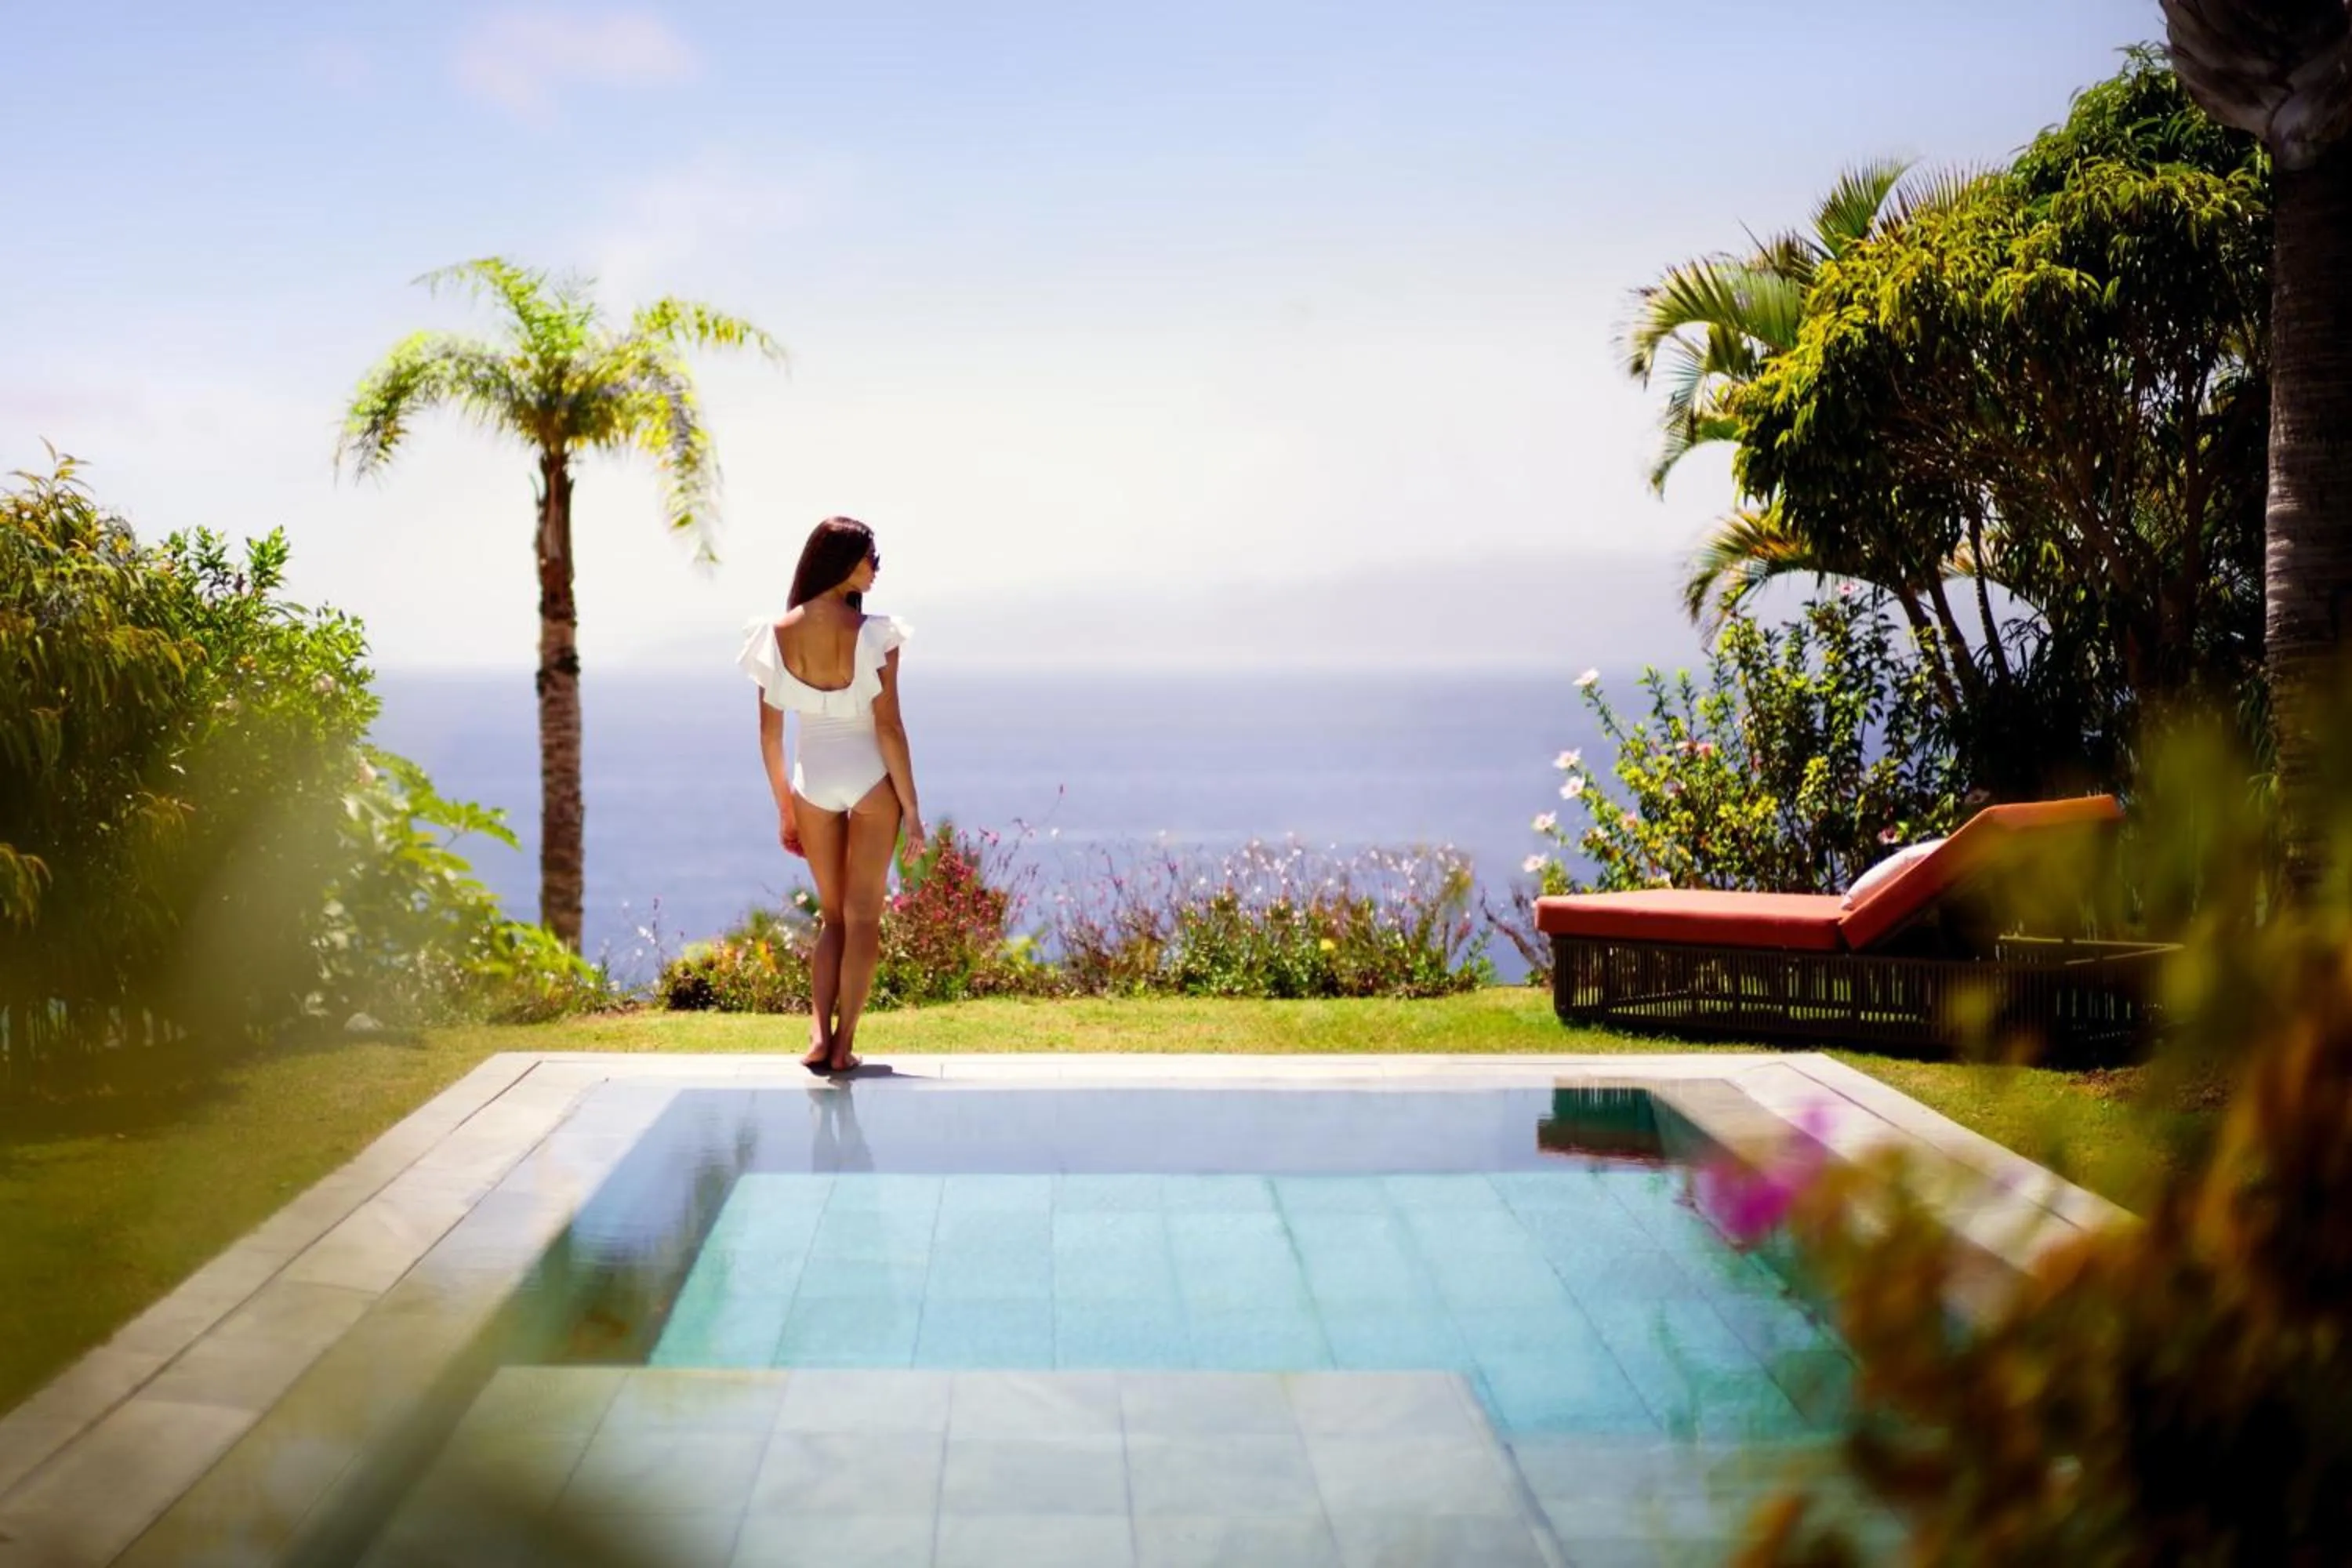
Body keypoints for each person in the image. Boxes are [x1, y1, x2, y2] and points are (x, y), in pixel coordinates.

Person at [737, 517, 924, 1075]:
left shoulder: (773, 633)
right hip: (870, 778)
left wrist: (785, 807)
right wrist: (912, 810)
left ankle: (819, 1037)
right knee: (864, 918)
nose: (876, 568)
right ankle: (843, 1047)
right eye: (870, 557)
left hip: (811, 782)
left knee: (834, 918)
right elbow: (888, 728)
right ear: (842, 560)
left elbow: (770, 736)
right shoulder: (875, 634)